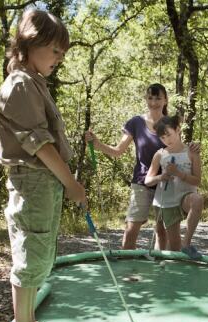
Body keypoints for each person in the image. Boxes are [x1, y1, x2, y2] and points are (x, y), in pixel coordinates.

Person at [0, 9, 86, 322]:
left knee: (42, 253)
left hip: (44, 183)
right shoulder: (19, 85)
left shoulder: (33, 83)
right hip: (32, 181)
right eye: (55, 50)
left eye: (62, 53)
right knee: (31, 254)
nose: (59, 59)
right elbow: (40, 145)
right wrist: (72, 183)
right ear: (31, 43)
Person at [85, 84, 199, 250]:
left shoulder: (169, 122)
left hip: (168, 184)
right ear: (146, 99)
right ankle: (127, 274)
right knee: (131, 229)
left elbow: (178, 147)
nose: (154, 102)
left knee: (162, 232)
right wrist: (97, 144)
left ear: (165, 100)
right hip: (142, 182)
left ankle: (161, 272)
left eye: (158, 98)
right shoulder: (136, 122)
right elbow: (118, 151)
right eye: (150, 98)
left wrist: (194, 147)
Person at [144, 115, 204, 259]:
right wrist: (161, 177)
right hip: (166, 201)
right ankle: (166, 273)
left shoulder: (191, 152)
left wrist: (179, 173)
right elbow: (148, 180)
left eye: (169, 135)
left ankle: (187, 243)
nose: (167, 140)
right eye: (162, 138)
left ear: (178, 130)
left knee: (198, 200)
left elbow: (197, 181)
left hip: (185, 196)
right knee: (172, 246)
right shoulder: (160, 154)